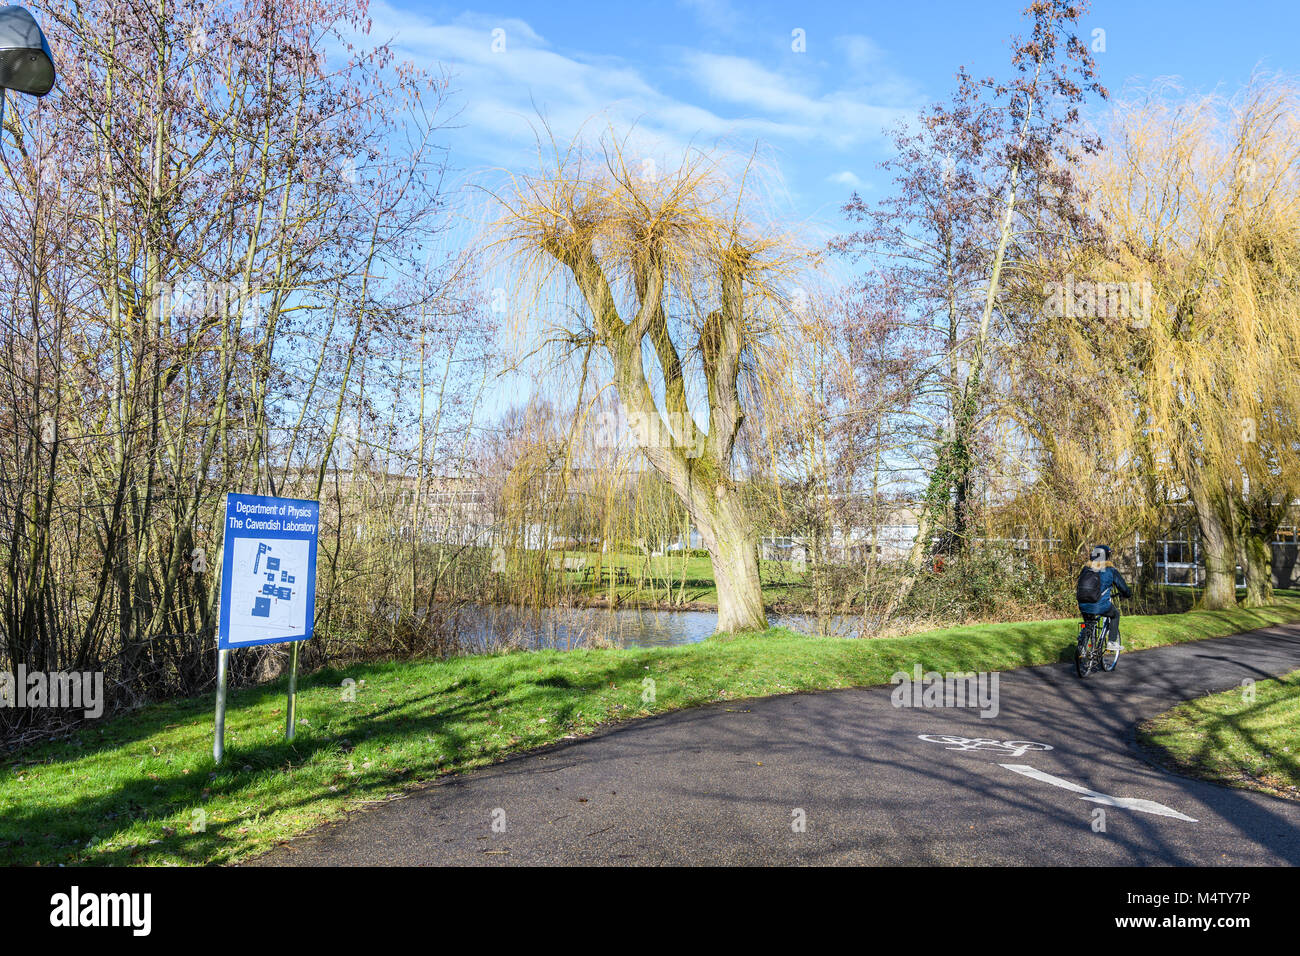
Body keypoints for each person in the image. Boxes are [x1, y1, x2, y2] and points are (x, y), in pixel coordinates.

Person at [1078, 544, 1131, 649]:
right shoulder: (1111, 570)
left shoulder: (1085, 569)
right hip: (1100, 605)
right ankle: (1111, 642)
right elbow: (1123, 588)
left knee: (1089, 623)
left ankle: (1082, 646)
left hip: (1082, 603)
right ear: (1107, 556)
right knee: (1115, 614)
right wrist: (1127, 594)